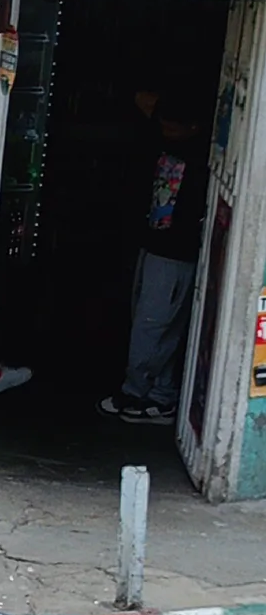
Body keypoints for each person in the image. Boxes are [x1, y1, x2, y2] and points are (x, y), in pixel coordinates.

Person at [104, 89, 207, 426]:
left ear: (194, 127)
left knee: (156, 325)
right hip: (154, 243)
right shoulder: (165, 134)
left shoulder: (205, 153)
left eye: (175, 129)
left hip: (177, 251)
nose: (168, 134)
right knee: (149, 321)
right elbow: (141, 97)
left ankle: (143, 393)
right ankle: (156, 393)